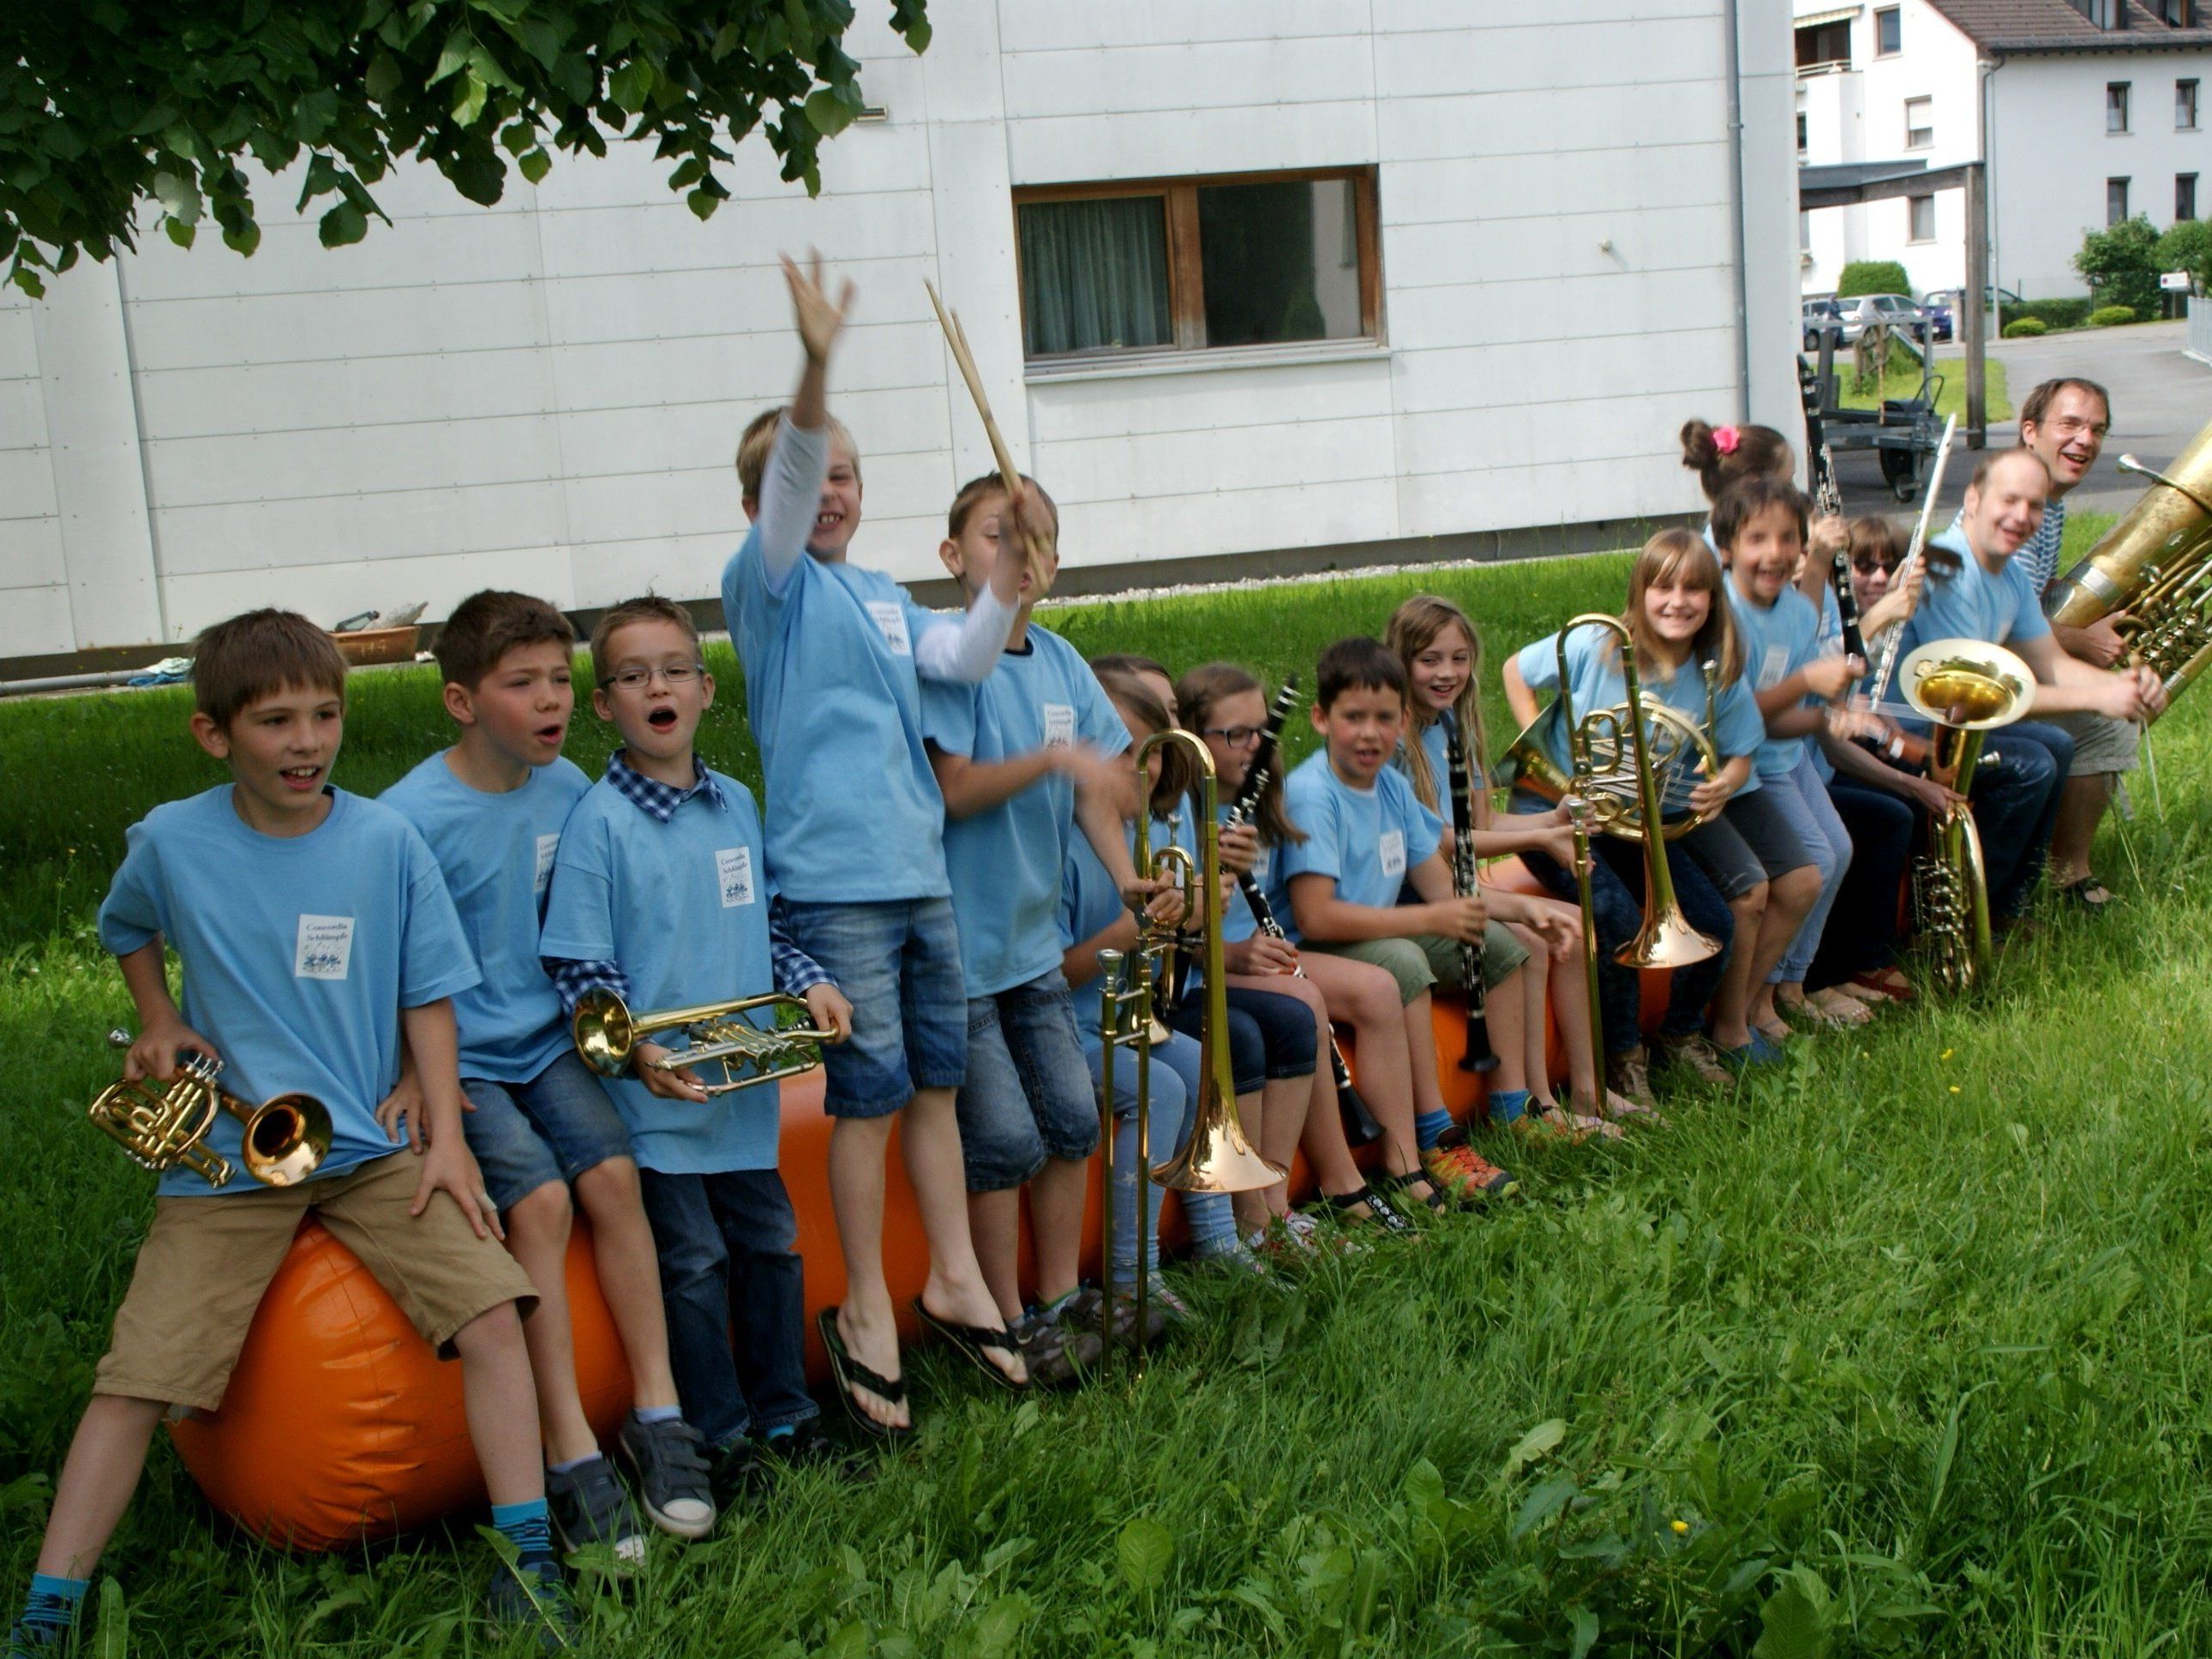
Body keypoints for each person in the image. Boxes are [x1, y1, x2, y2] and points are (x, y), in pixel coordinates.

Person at [10, 610, 560, 1653]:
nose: (306, 741)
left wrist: (444, 1135)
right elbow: (124, 926)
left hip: (362, 1149)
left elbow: (431, 994)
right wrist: (161, 1017)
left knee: (494, 1316)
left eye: (324, 715)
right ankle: (49, 1607)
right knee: (135, 1381)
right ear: (214, 735)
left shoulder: (386, 840)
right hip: (227, 1162)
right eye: (275, 722)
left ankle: (527, 1557)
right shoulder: (172, 839)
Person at [721, 255, 1032, 1433]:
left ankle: (952, 1274)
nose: (832, 488)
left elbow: (958, 657)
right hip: (838, 884)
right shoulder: (768, 585)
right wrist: (814, 365)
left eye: (850, 472)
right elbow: (792, 476)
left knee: (936, 1087)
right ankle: (860, 1308)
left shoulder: (884, 595)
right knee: (865, 1098)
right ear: (764, 508)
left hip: (917, 877)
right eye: (812, 476)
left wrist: (1005, 579)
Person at [382, 590, 715, 1549]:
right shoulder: (409, 818)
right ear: (460, 702)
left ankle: (657, 1415)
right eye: (520, 683)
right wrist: (412, 1073)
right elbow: (391, 965)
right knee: (539, 1205)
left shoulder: (570, 787)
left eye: (558, 682)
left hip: (549, 1041)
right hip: (464, 1063)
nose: (549, 701)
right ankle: (569, 1448)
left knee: (614, 1177)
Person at [539, 596, 854, 1476]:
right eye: (633, 676)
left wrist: (812, 981)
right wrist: (634, 1053)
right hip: (658, 1104)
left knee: (770, 1248)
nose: (657, 687)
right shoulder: (598, 822)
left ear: (706, 689)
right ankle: (719, 1434)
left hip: (742, 1096)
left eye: (675, 669)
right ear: (605, 704)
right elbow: (578, 968)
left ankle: (787, 1415)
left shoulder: (738, 805)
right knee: (693, 1262)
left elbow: (770, 930)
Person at [920, 473, 1152, 1375]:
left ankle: (1060, 1299)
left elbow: (1095, 790)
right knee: (1006, 1140)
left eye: (1037, 539)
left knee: (1070, 1119)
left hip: (1028, 947)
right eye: (996, 535)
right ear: (952, 557)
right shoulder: (948, 663)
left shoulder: (1059, 661)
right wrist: (1054, 757)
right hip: (957, 955)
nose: (1020, 554)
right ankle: (1003, 1317)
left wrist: (1129, 878)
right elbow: (957, 789)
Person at [1279, 637, 1574, 1205]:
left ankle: (1513, 1109)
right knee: (1403, 961)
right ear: (1320, 719)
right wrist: (1430, 919)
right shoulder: (1314, 794)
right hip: (1311, 942)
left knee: (1500, 945)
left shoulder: (1388, 785)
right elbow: (1315, 915)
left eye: (1384, 718)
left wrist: (1529, 910)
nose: (1370, 733)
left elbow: (1448, 894)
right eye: (1353, 718)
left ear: (1403, 720)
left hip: (1376, 924)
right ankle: (1428, 1139)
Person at [1172, 662, 1424, 1237]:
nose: (1253, 745)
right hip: (1211, 963)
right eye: (1234, 735)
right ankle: (1333, 1181)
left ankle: (1399, 1160)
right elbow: (1169, 930)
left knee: (1378, 987)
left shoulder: (1265, 794)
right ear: (1193, 738)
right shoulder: (1185, 812)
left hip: (1266, 951)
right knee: (1302, 999)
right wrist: (1229, 951)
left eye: (1260, 731)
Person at [1502, 530, 1751, 1097]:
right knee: (1613, 918)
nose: (1677, 601)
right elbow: (1515, 670)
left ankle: (1679, 1037)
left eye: (1694, 588)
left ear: (1712, 599)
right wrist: (1536, 752)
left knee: (1713, 921)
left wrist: (1722, 784)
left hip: (1635, 826)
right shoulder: (1595, 641)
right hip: (1552, 817)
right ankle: (1621, 1056)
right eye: (1662, 587)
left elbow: (1739, 753)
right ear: (1638, 593)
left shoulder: (1714, 671)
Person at [1385, 594, 1635, 1129]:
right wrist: (1545, 842)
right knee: (1533, 941)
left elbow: (1488, 823)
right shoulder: (1395, 740)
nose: (1447, 672)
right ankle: (1536, 1103)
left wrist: (1553, 821)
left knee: (1574, 926)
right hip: (1412, 894)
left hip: (1453, 881)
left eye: (1459, 658)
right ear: (1401, 662)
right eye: (1430, 660)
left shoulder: (1456, 724)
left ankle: (1589, 1090)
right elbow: (1442, 843)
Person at [1888, 447, 2165, 925]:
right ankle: (1972, 916)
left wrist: (2123, 686)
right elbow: (1976, 696)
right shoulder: (1948, 567)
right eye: (2009, 500)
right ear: (1973, 500)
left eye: (2034, 505)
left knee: (2054, 744)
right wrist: (2101, 695)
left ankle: (2005, 906)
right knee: (2033, 761)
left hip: (1952, 725)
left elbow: (2051, 664)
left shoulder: (2009, 573)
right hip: (1903, 728)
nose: (2022, 516)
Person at [1060, 667, 1262, 1304]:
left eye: (1147, 752)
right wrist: (1129, 929)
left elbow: (1178, 930)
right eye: (1117, 752)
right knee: (1160, 1092)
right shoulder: (1066, 848)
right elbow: (1055, 971)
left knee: (1202, 1063)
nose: (1137, 768)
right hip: (1066, 1032)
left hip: (1119, 1022)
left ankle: (1216, 1240)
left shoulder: (1140, 836)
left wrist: (1197, 899)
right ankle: (1132, 1276)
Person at [1711, 479, 1856, 1039]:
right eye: (1757, 538)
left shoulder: (1796, 611)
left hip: (1782, 753)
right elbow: (1736, 720)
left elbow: (1787, 711)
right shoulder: (1721, 614)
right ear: (1726, 549)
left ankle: (1779, 985)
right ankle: (1750, 1004)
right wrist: (1807, 685)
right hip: (1743, 767)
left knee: (1837, 850)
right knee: (1808, 869)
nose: (1773, 552)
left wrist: (1832, 716)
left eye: (1787, 539)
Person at [2014, 377, 2137, 907]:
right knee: (2109, 726)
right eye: (2070, 424)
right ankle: (2067, 875)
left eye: (2097, 429)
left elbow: (2030, 598)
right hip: (1973, 681)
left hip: (2005, 665)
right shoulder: (2021, 502)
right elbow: (2002, 623)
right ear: (2030, 432)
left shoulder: (2052, 504)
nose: (2085, 440)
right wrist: (2079, 643)